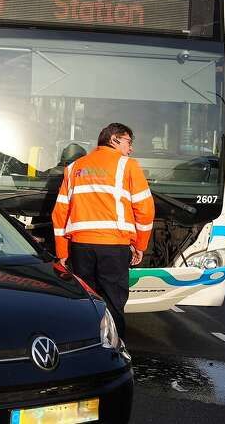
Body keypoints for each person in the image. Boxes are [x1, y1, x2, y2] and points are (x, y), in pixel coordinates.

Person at [51, 123, 154, 336]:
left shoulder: (73, 168)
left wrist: (62, 253)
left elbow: (60, 213)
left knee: (86, 300)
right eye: (128, 142)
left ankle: (86, 347)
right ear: (114, 139)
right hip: (114, 246)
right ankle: (113, 350)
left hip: (81, 246)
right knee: (113, 302)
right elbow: (145, 210)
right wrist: (140, 245)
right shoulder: (128, 166)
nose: (130, 148)